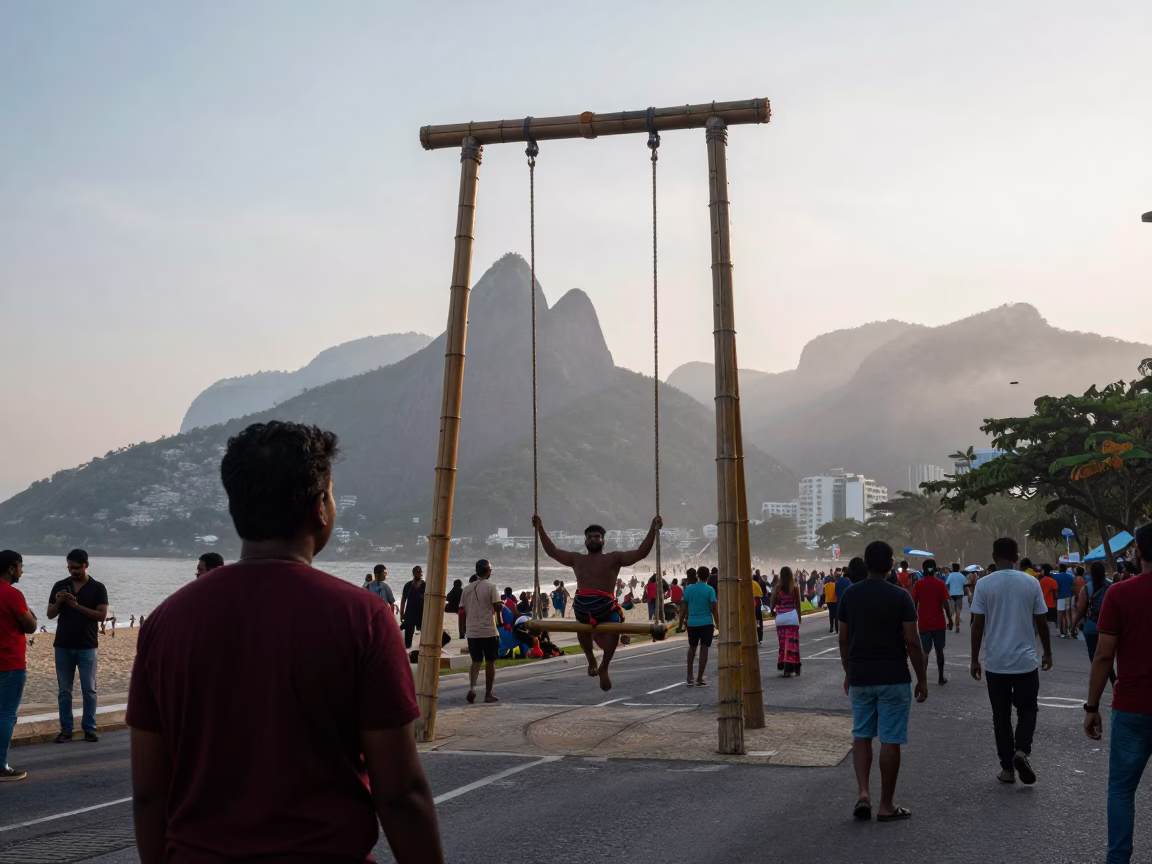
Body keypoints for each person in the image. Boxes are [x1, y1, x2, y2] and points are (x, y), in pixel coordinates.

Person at [125, 421, 442, 863]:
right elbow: (400, 794)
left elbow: (148, 794)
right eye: (331, 493)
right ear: (321, 508)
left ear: (237, 508)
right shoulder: (362, 619)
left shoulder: (165, 623)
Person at [837, 540, 928, 822]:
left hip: (861, 676)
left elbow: (843, 639)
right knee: (890, 740)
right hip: (893, 677)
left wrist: (848, 672)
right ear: (891, 565)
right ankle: (886, 806)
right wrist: (922, 678)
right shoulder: (900, 596)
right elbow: (912, 641)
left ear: (866, 563)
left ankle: (863, 793)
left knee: (862, 735)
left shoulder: (850, 595)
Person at [1083, 521, 1152, 864]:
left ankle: (1118, 859)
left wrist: (1091, 706)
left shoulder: (1120, 593)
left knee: (1122, 790)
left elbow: (1104, 655)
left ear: (1139, 552)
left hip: (1133, 706)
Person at [534, 515, 662, 692]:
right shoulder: (576, 559)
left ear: (603, 540)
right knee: (581, 628)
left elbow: (641, 553)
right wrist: (540, 527)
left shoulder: (613, 558)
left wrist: (653, 530)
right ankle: (591, 660)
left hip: (606, 605)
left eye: (597, 536)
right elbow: (552, 551)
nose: (593, 539)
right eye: (590, 537)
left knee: (614, 628)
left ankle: (605, 666)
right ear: (585, 541)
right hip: (583, 606)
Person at [970, 537, 1053, 785]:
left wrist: (974, 659)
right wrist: (1047, 652)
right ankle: (1021, 751)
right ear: (1017, 557)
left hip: (996, 663)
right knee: (1028, 709)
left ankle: (1007, 769)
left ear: (994, 557)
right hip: (1025, 662)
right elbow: (1041, 620)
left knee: (1001, 715)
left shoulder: (984, 584)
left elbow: (977, 625)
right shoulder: (1031, 582)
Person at [47, 548, 108, 743]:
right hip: (63, 645)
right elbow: (50, 614)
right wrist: (59, 602)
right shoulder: (60, 586)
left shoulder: (98, 588)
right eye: (70, 567)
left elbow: (101, 616)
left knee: (89, 689)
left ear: (86, 565)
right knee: (64, 691)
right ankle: (66, 729)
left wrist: (77, 607)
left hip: (88, 645)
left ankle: (89, 728)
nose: (73, 571)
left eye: (77, 567)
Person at [1, 550, 36, 781]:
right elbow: (31, 626)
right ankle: (1, 766)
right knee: (5, 715)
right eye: (20, 566)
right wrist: (31, 613)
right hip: (10, 663)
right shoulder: (13, 595)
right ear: (12, 569)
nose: (22, 571)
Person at [459, 559, 502, 705]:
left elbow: (462, 612)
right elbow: (497, 606)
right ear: (488, 571)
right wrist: (500, 606)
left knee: (475, 661)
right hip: (488, 630)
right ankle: (488, 694)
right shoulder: (492, 587)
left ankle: (472, 688)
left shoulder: (466, 589)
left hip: (472, 632)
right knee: (490, 662)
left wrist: (462, 631)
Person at [1072, 562, 1116, 686]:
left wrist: (1074, 625)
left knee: (1095, 658)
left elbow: (1080, 609)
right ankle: (1113, 680)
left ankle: (1102, 683)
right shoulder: (1111, 586)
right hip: (1109, 628)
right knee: (1107, 657)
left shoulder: (1087, 588)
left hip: (1091, 627)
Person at [910, 559, 952, 686]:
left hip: (924, 623)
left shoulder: (918, 584)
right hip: (939, 623)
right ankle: (940, 677)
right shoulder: (940, 584)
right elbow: (945, 603)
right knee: (939, 650)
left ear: (923, 570)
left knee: (925, 651)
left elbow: (914, 602)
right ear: (935, 569)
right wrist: (949, 618)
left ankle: (923, 679)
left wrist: (915, 617)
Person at [678, 570, 718, 687]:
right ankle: (699, 678)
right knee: (704, 649)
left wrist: (680, 624)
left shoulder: (689, 589)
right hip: (706, 622)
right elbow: (714, 609)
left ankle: (689, 675)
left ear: (697, 576)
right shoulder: (710, 590)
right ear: (708, 576)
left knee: (692, 648)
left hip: (692, 623)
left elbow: (683, 608)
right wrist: (718, 624)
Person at [770, 567, 803, 677]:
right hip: (792, 618)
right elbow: (798, 605)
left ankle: (783, 664)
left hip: (781, 619)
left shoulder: (778, 588)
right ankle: (790, 668)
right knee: (792, 644)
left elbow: (772, 606)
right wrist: (799, 618)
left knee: (783, 644)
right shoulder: (794, 588)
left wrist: (774, 611)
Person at [399, 566, 425, 650]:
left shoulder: (425, 585)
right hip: (410, 613)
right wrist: (401, 614)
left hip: (421, 613)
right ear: (413, 574)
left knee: (425, 634)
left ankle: (422, 649)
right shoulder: (408, 585)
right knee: (408, 636)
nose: (419, 574)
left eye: (420, 572)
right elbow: (403, 600)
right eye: (417, 572)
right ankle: (407, 650)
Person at [1053, 562, 1075, 638]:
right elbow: (1072, 587)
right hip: (1068, 597)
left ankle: (1061, 632)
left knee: (1060, 615)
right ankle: (1067, 632)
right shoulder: (1070, 577)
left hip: (1060, 597)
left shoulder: (1055, 577)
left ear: (1059, 569)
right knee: (1066, 615)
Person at [945, 563, 969, 633]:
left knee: (951, 611)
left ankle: (950, 623)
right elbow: (965, 584)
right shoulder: (961, 575)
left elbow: (947, 584)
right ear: (958, 568)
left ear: (952, 568)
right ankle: (957, 626)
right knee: (958, 612)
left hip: (952, 595)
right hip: (959, 595)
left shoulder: (950, 575)